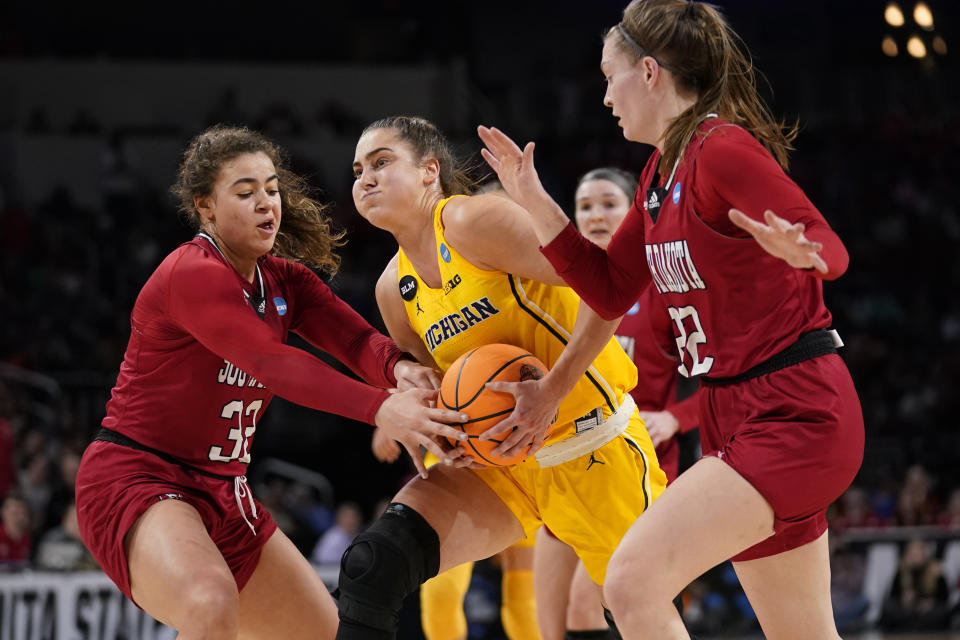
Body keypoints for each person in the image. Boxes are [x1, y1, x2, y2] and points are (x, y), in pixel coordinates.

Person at [477, 1, 865, 637]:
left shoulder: (723, 150)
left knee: (630, 581)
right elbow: (609, 288)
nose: (604, 96)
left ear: (650, 73)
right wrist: (535, 201)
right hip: (730, 411)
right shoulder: (662, 169)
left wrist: (803, 251)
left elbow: (833, 249)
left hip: (794, 410)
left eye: (610, 76)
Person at [74, 125, 470, 640]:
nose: (265, 203)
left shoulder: (283, 281)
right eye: (245, 193)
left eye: (271, 189)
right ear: (206, 207)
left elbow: (356, 343)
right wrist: (381, 409)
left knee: (329, 633)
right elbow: (273, 363)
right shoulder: (192, 273)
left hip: (224, 489)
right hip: (138, 477)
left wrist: (402, 371)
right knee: (207, 600)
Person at [335, 115, 666, 640]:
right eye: (357, 171)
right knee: (375, 564)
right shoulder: (391, 289)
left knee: (636, 615)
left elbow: (609, 290)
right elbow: (445, 388)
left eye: (381, 163)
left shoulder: (474, 222)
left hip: (592, 445)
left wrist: (551, 391)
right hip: (505, 464)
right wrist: (439, 433)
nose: (365, 179)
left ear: (428, 171)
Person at [536, 167, 702, 640]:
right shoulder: (554, 287)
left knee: (604, 602)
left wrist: (674, 417)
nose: (594, 215)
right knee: (554, 620)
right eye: (584, 206)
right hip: (565, 458)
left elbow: (718, 370)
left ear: (633, 212)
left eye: (609, 203)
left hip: (635, 462)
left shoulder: (661, 287)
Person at [371, 428, 542, 640]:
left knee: (524, 606)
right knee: (441, 593)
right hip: (454, 460)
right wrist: (384, 414)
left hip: (520, 464)